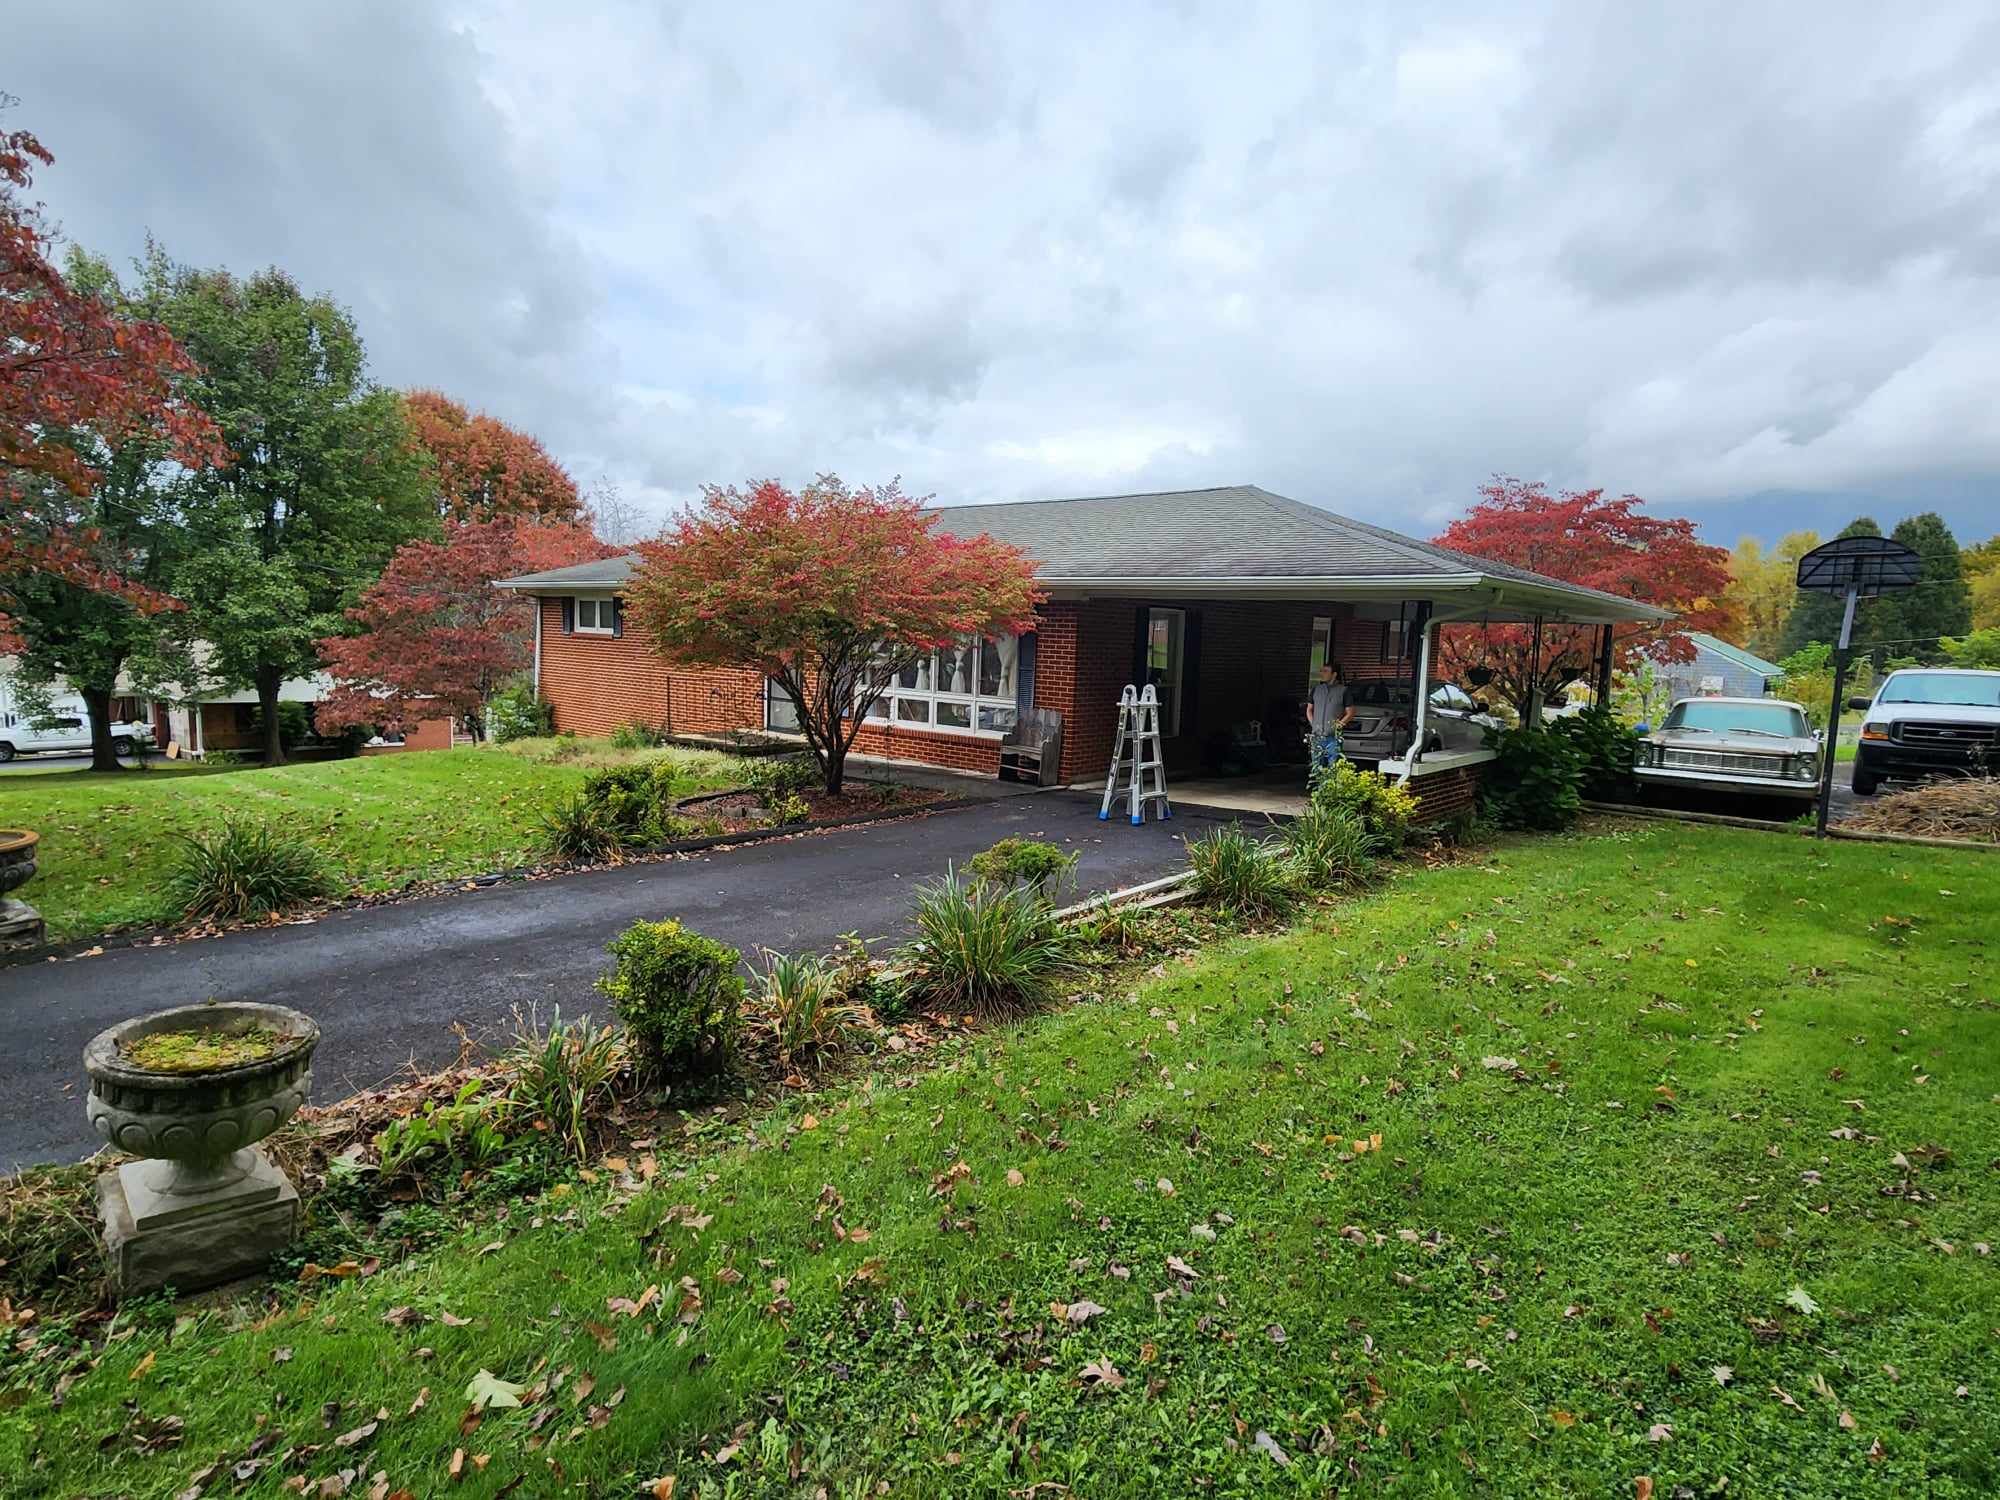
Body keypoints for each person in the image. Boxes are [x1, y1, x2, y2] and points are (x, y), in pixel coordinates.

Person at [1307, 662, 1352, 771]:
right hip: (1317, 736)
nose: (1322, 673)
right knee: (1316, 768)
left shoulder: (1343, 691)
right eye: (1321, 671)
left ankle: (1329, 788)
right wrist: (1313, 724)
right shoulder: (1316, 690)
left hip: (1333, 738)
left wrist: (1338, 726)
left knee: (1332, 769)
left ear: (1334, 674)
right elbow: (1309, 709)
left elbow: (1350, 712)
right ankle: (1319, 788)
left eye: (1325, 671)